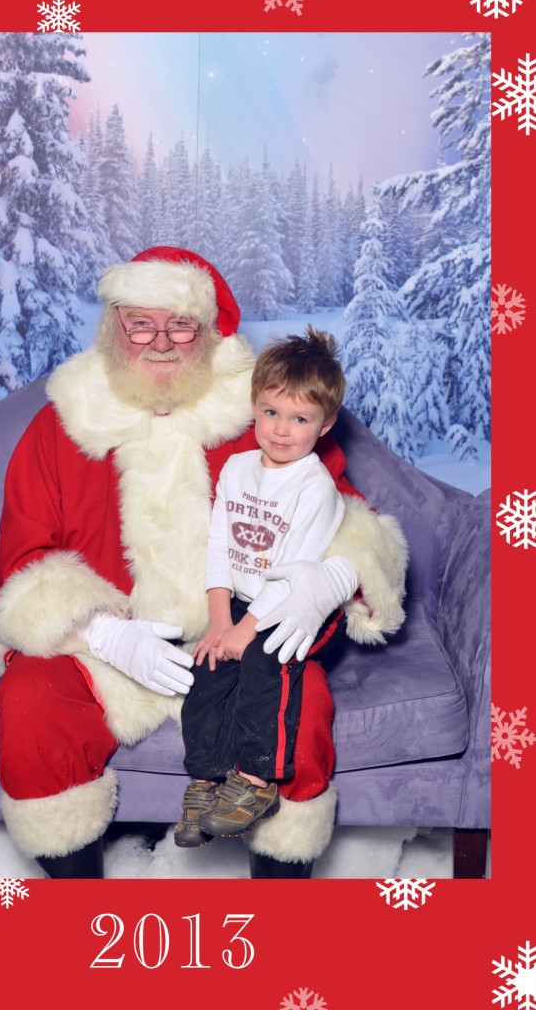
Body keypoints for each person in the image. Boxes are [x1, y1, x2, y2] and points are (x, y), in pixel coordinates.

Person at [0, 246, 408, 879]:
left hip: (238, 639)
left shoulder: (260, 414)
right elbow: (24, 558)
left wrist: (335, 577)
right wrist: (103, 632)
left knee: (304, 708)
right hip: (103, 649)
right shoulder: (60, 423)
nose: (161, 342)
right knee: (30, 702)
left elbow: (345, 514)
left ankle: (278, 918)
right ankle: (78, 907)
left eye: (180, 324)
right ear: (113, 327)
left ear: (209, 332)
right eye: (141, 323)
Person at [176, 329, 349, 848]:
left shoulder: (315, 487)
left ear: (326, 424)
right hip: (241, 601)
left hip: (298, 606)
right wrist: (220, 622)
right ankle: (206, 780)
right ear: (254, 405)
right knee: (207, 666)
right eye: (272, 412)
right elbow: (219, 549)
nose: (281, 430)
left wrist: (248, 631)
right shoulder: (235, 469)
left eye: (301, 419)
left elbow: (295, 575)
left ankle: (255, 781)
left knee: (260, 664)